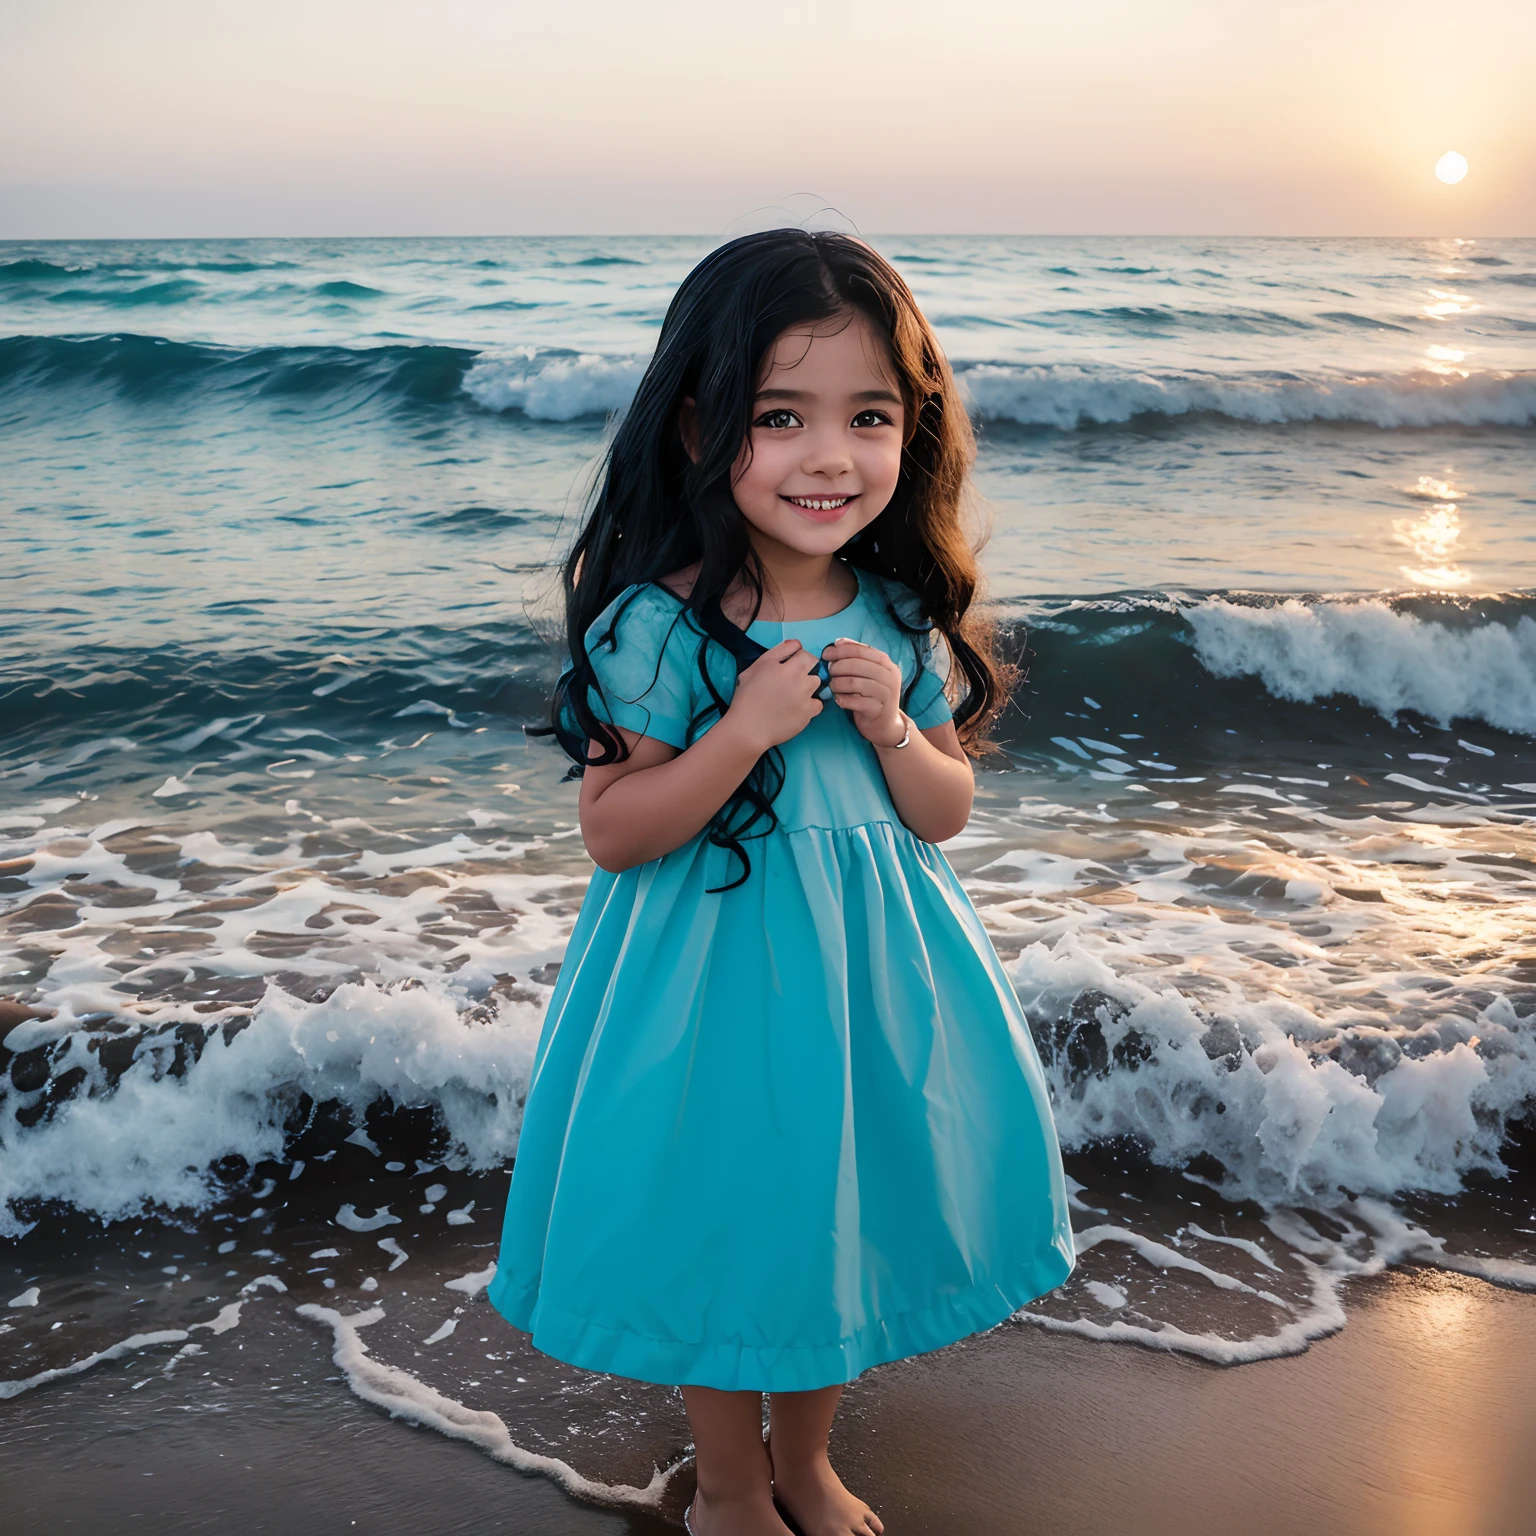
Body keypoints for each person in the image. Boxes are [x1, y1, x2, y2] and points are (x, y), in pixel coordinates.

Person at [488, 229, 1074, 1536]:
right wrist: (740, 731)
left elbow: (944, 811)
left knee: (835, 1215)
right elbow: (616, 829)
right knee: (732, 1215)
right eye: (780, 416)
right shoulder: (661, 622)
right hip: (708, 980)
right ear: (701, 429)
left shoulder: (894, 616)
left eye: (868, 416)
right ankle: (735, 1487)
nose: (829, 457)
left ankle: (807, 1464)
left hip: (870, 980)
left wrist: (896, 734)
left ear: (911, 431)